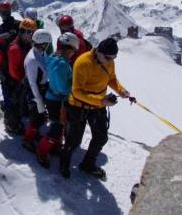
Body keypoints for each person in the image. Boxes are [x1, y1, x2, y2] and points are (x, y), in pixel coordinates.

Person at [59, 37, 131, 179]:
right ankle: (64, 163)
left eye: (114, 57)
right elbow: (77, 92)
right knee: (74, 140)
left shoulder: (108, 61)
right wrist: (101, 100)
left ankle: (87, 164)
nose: (111, 60)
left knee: (101, 137)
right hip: (79, 106)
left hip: (98, 105)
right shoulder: (83, 62)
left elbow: (111, 78)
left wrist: (120, 90)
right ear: (99, 52)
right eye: (109, 57)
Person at [35, 32, 79, 168]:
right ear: (68, 48)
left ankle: (54, 145)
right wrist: (74, 89)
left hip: (53, 98)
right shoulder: (61, 64)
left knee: (59, 125)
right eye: (73, 50)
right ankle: (42, 151)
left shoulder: (54, 58)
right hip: (57, 100)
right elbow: (62, 87)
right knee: (57, 128)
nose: (73, 53)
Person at [4, 18, 37, 134]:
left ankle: (17, 119)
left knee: (19, 101)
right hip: (14, 80)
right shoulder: (15, 48)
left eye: (33, 32)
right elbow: (13, 70)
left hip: (22, 79)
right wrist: (23, 79)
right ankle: (11, 125)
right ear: (22, 32)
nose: (31, 35)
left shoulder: (27, 44)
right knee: (14, 103)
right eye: (29, 32)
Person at [22, 29, 52, 153]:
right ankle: (27, 139)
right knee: (36, 117)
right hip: (35, 91)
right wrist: (39, 100)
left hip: (40, 88)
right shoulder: (32, 59)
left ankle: (33, 134)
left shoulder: (39, 53)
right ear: (43, 43)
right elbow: (32, 82)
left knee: (39, 116)